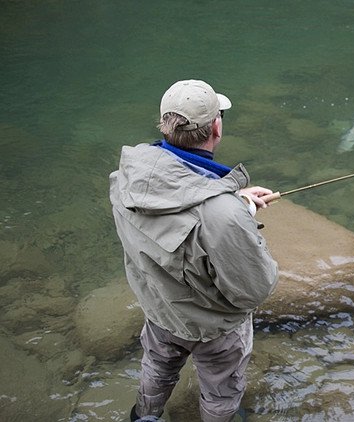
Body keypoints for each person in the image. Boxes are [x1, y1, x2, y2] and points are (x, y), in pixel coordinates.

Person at [109, 79, 279, 422]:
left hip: (159, 309)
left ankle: (145, 416)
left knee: (157, 367)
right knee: (221, 390)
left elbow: (176, 211)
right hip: (215, 330)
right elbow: (256, 289)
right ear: (216, 127)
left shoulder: (126, 178)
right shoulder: (222, 215)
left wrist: (234, 203)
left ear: (166, 123)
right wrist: (235, 215)